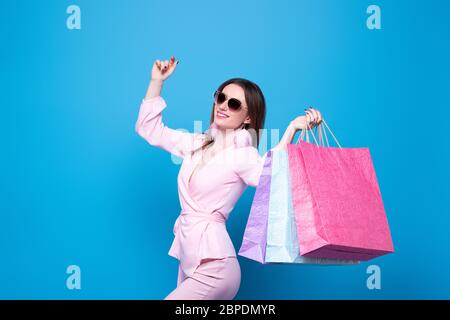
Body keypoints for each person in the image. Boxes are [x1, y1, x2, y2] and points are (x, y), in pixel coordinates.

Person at [135, 56, 322, 300]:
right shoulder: (197, 143)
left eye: (234, 104)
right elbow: (149, 130)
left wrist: (292, 129)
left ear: (248, 118)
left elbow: (271, 176)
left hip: (216, 268)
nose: (222, 105)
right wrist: (156, 81)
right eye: (220, 97)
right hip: (190, 261)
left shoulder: (243, 156)